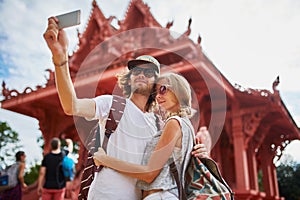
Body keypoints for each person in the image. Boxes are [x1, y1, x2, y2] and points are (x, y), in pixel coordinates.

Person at [43, 16, 207, 200]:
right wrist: (60, 58)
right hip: (105, 194)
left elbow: (170, 164)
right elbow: (71, 105)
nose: (141, 75)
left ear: (156, 84)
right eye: (136, 71)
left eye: (148, 72)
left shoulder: (160, 124)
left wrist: (198, 154)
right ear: (128, 78)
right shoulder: (112, 104)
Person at [94, 73, 198, 199]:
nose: (158, 96)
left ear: (178, 91)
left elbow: (149, 173)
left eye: (163, 89)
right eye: (155, 93)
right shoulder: (187, 127)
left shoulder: (173, 123)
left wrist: (105, 159)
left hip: (160, 196)